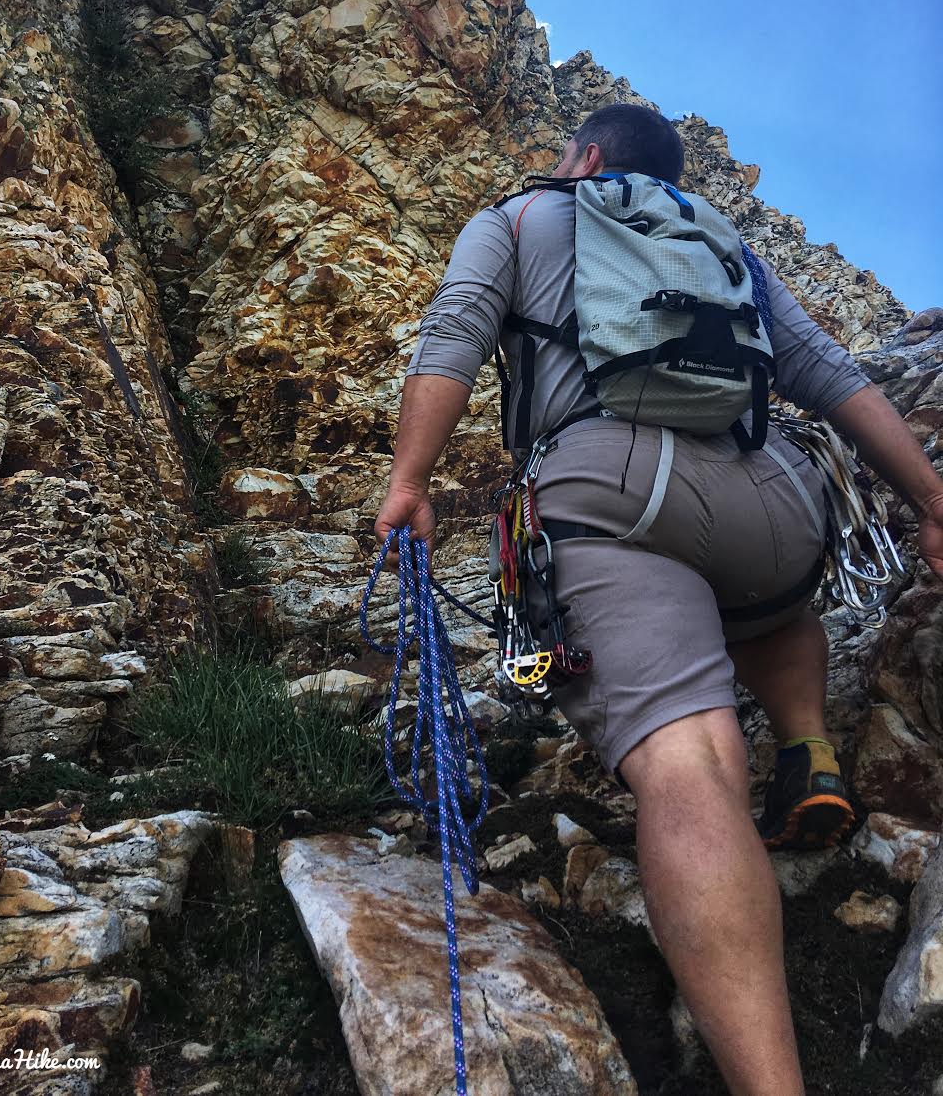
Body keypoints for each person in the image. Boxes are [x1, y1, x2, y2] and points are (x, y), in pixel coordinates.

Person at [373, 103, 943, 1096]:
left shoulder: (519, 217)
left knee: (689, 765)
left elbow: (455, 330)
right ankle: (806, 746)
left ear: (584, 156)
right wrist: (931, 500)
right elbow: (828, 373)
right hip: (771, 503)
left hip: (606, 481)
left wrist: (409, 479)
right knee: (769, 596)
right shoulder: (720, 242)